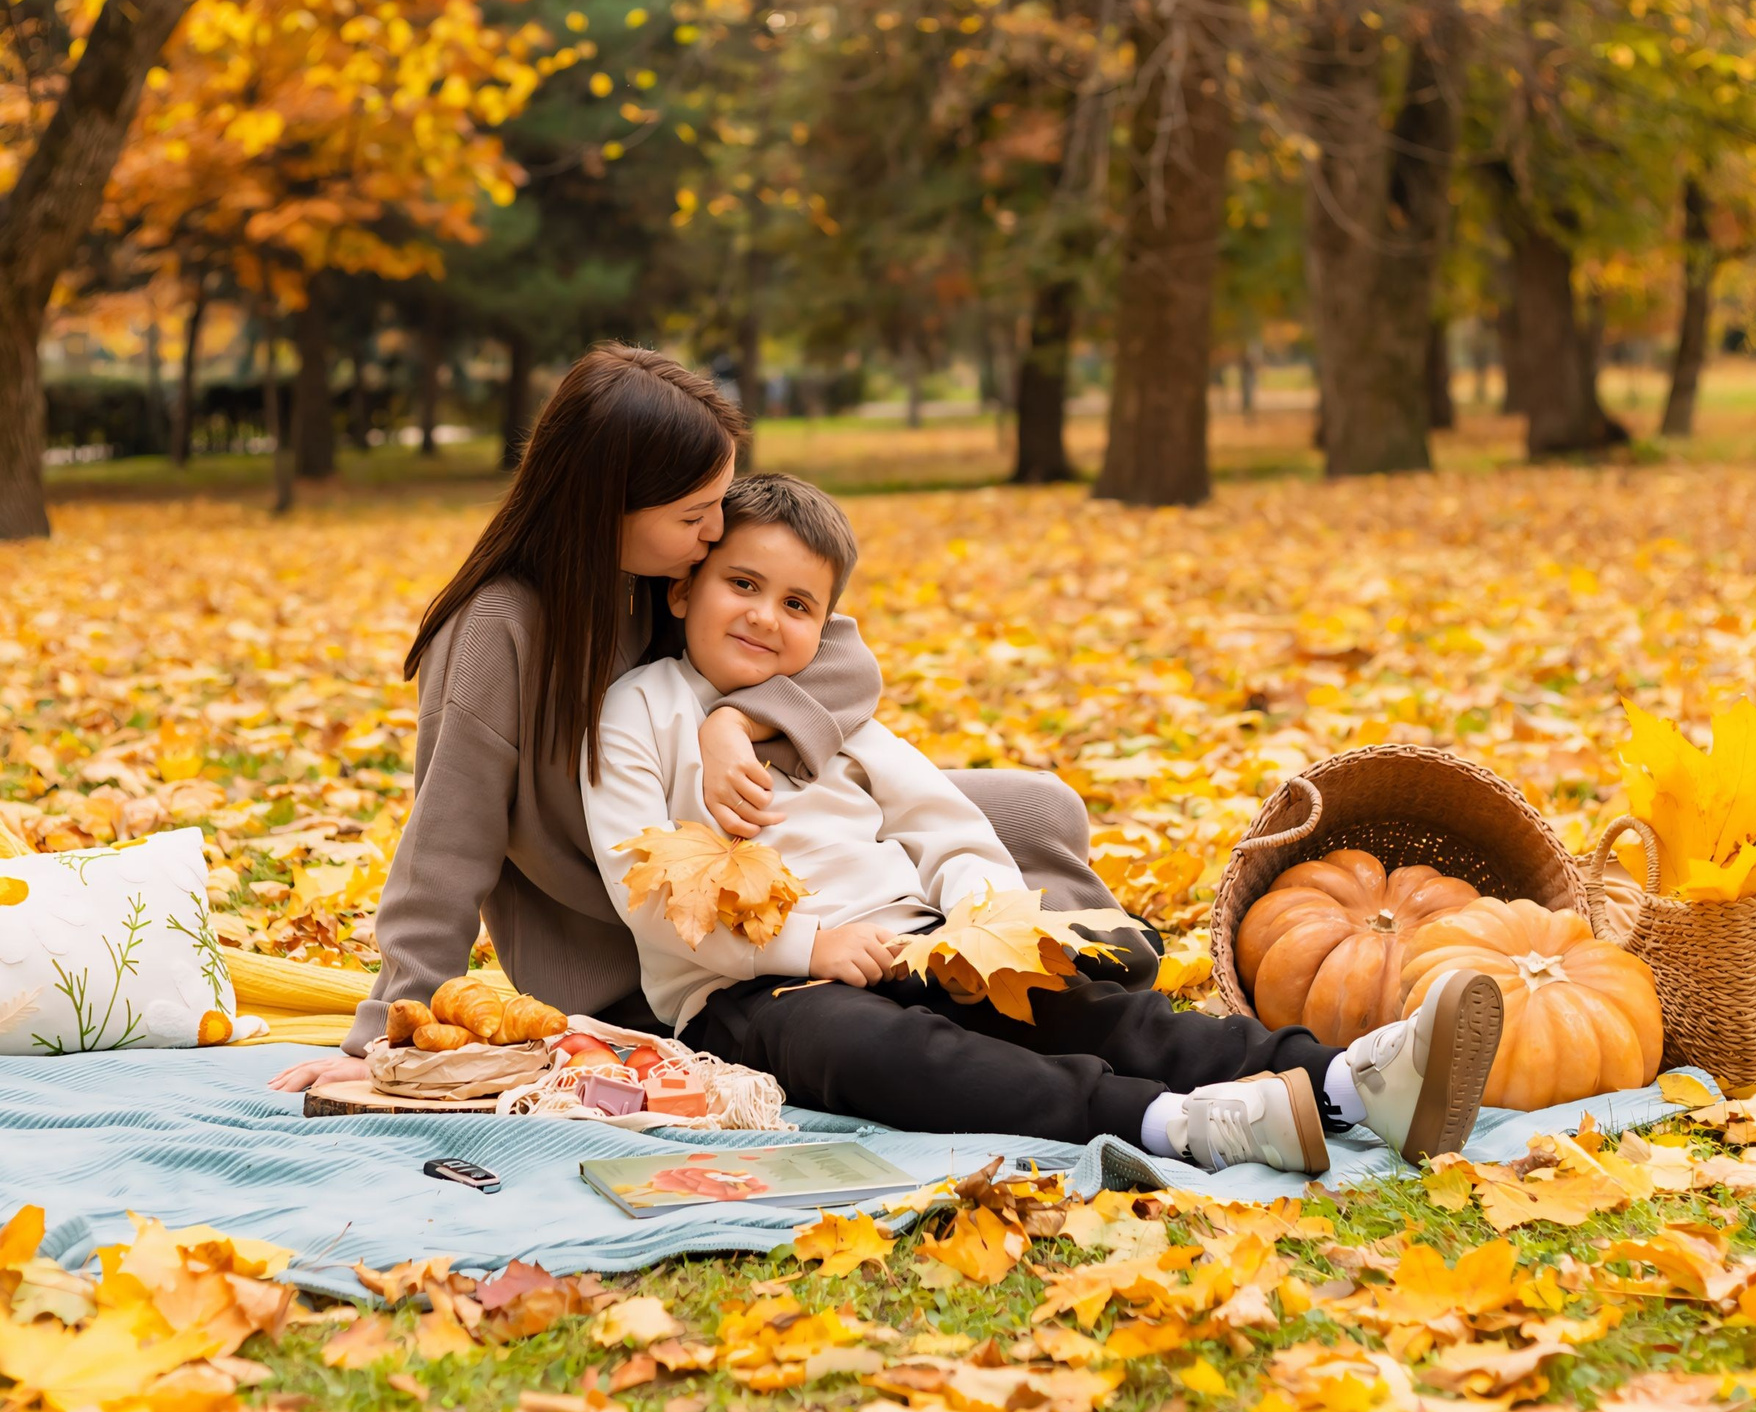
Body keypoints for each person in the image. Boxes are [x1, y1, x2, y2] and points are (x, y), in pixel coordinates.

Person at [268, 345, 1141, 1094]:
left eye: (717, 505)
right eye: (695, 514)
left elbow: (840, 657)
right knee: (992, 839)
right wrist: (388, 1031)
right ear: (607, 503)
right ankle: (1023, 988)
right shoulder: (497, 633)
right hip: (651, 937)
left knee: (1038, 809)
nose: (716, 529)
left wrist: (736, 722)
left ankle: (1074, 967)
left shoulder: (665, 570)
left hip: (773, 845)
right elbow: (444, 844)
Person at [579, 472, 1505, 1171]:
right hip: (757, 996)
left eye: (797, 605)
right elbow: (646, 895)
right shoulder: (638, 711)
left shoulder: (833, 715)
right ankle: (1170, 1123)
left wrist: (985, 914)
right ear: (681, 591)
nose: (763, 616)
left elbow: (940, 822)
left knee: (1088, 1008)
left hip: (917, 940)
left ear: (825, 629)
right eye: (741, 584)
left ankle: (1348, 1079)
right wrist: (812, 946)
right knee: (882, 1052)